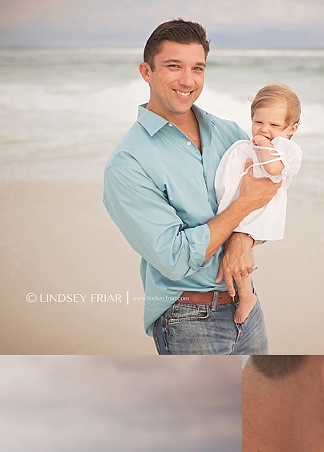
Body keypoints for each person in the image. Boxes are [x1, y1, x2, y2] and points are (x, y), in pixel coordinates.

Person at [103, 19, 281, 355]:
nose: (188, 80)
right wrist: (242, 206)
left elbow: (270, 195)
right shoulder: (127, 164)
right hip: (187, 319)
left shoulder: (230, 133)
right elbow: (175, 259)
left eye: (197, 68)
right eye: (174, 67)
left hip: (247, 305)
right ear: (146, 71)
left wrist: (243, 240)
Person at [214, 83, 304, 329]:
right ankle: (240, 292)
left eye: (275, 126)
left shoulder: (286, 149)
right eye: (258, 122)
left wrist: (264, 146)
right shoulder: (251, 143)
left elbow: (274, 170)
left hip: (261, 207)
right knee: (225, 245)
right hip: (244, 201)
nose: (264, 130)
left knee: (240, 252)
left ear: (291, 129)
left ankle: (246, 296)